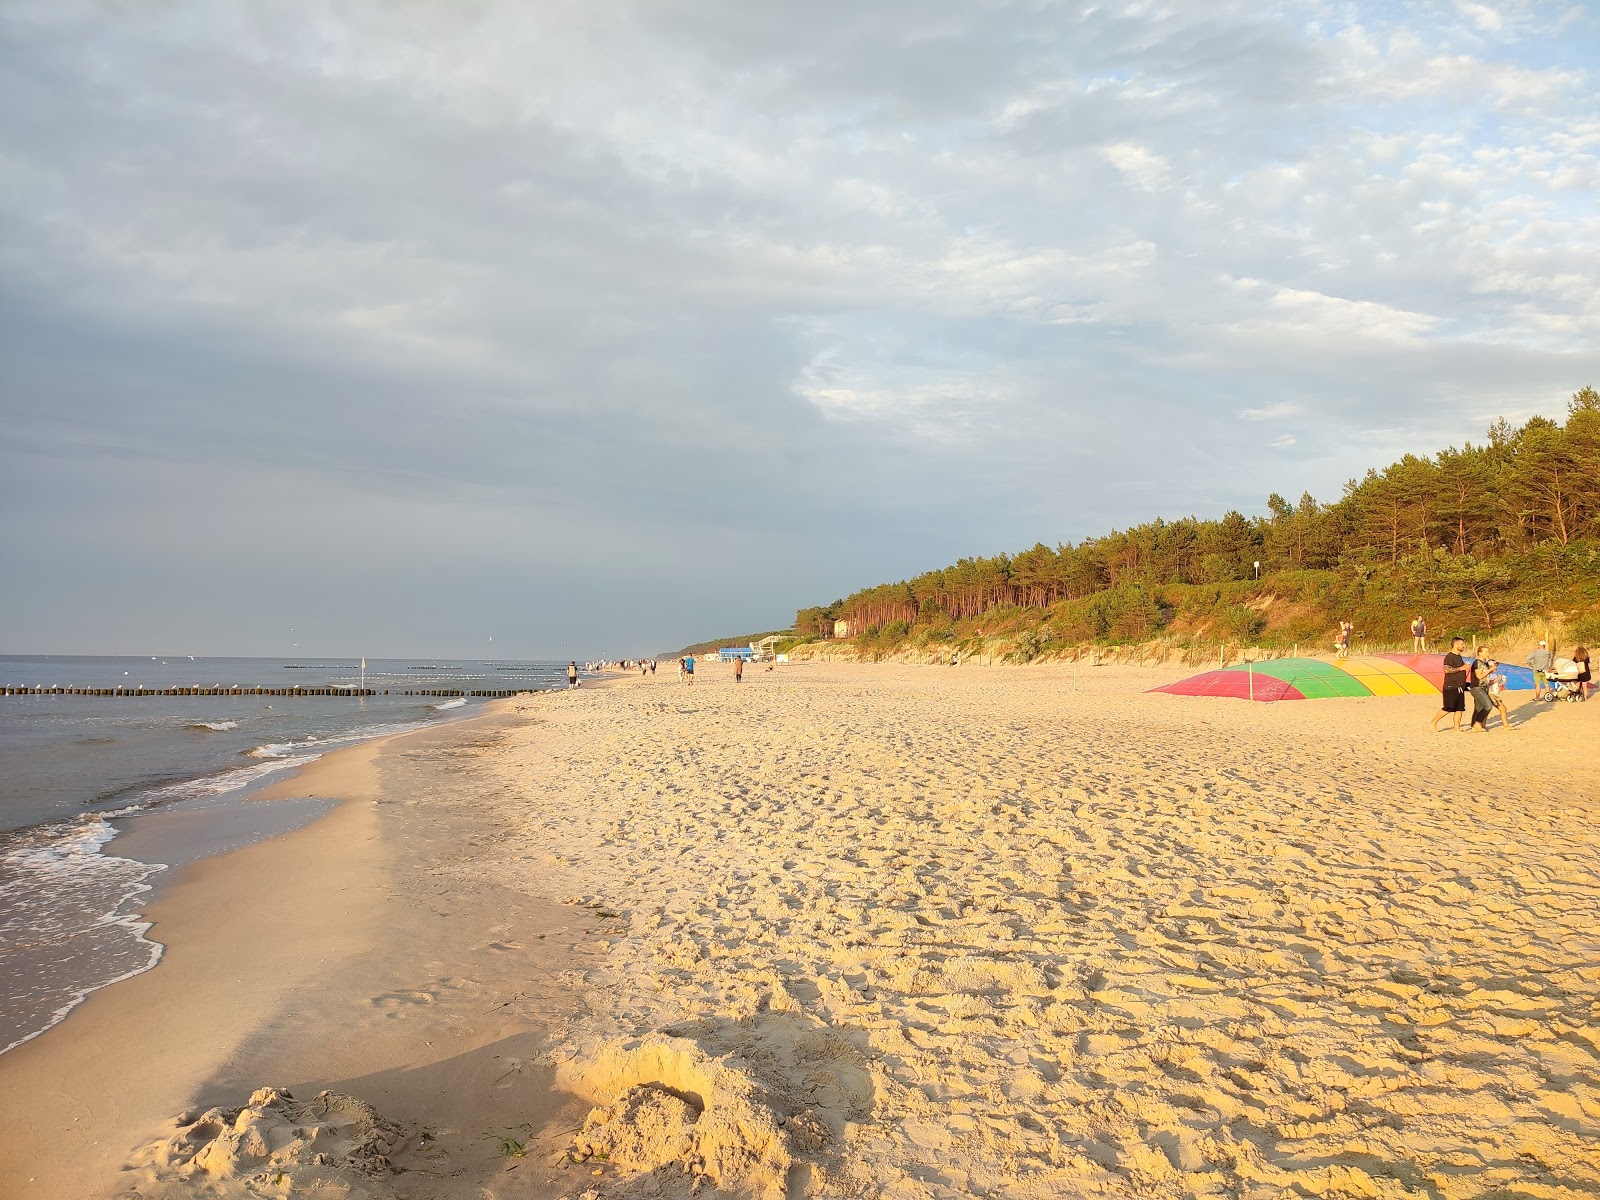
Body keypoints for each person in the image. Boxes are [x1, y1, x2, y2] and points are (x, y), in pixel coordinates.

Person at [1431, 636, 1470, 733]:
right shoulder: (1449, 657)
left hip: (1460, 686)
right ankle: (1433, 722)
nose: (1463, 646)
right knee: (1448, 707)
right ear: (1456, 644)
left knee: (1460, 708)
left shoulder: (1459, 656)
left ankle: (1456, 728)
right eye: (1462, 644)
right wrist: (1462, 668)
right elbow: (1447, 669)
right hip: (1451, 686)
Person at [1479, 653, 1514, 731]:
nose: (1496, 668)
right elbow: (1488, 683)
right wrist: (1498, 678)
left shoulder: (1494, 674)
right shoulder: (1488, 674)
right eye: (1495, 666)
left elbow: (1495, 685)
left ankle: (1483, 726)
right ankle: (1506, 725)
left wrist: (1501, 683)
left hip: (1494, 694)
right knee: (1502, 709)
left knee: (1489, 710)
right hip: (1491, 695)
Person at [1466, 653, 1492, 731]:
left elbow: (1487, 675)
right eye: (1486, 651)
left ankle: (1474, 726)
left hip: (1484, 687)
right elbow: (1479, 676)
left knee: (1478, 708)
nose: (1487, 653)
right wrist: (1490, 669)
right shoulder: (1477, 662)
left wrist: (1490, 667)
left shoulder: (1484, 663)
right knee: (1488, 706)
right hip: (1477, 687)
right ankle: (1477, 723)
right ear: (1480, 653)